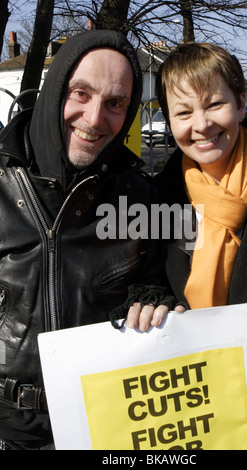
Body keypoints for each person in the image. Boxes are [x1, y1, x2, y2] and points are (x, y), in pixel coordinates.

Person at [0, 30, 175, 450]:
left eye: (115, 103)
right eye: (81, 93)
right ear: (55, 89)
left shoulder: (142, 198)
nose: (96, 119)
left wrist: (157, 301)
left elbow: (176, 283)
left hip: (103, 431)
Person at [154, 42, 247, 450]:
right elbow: (145, 280)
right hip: (188, 420)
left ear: (241, 100)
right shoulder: (157, 196)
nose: (200, 125)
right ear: (169, 121)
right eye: (183, 112)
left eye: (214, 104)